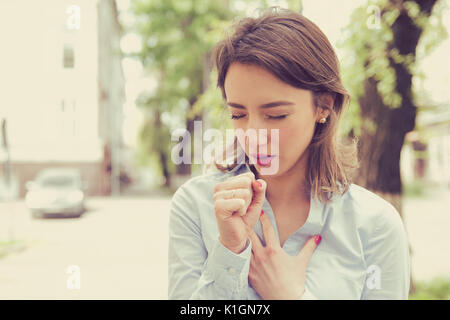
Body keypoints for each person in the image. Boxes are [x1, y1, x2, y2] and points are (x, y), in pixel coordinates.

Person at [168, 7, 410, 300]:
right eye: (238, 114)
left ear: (323, 105)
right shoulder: (196, 205)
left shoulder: (375, 225)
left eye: (276, 115)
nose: (253, 134)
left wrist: (291, 295)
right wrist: (230, 252)